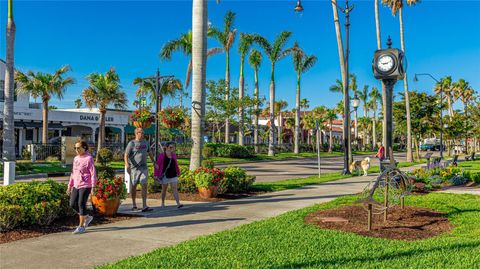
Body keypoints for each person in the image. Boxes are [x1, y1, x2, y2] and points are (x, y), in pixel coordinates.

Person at [124, 128, 158, 212]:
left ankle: (144, 205)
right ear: (136, 133)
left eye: (143, 133)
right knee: (134, 186)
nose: (143, 134)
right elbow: (126, 155)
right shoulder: (131, 143)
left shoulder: (146, 143)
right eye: (141, 133)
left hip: (144, 168)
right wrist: (127, 164)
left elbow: (149, 153)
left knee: (144, 184)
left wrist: (154, 162)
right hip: (134, 168)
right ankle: (134, 204)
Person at [67, 140, 96, 234]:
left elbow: (93, 173)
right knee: (72, 204)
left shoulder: (89, 158)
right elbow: (73, 172)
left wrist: (93, 187)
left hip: (86, 184)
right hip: (76, 184)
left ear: (84, 148)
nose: (77, 150)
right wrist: (69, 186)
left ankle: (81, 226)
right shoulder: (75, 158)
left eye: (79, 148)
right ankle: (87, 217)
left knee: (81, 203)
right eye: (75, 148)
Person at [154, 142, 183, 208]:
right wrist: (156, 174)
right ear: (166, 147)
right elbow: (157, 165)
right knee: (164, 189)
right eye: (170, 147)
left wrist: (178, 172)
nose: (172, 148)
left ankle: (178, 203)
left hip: (173, 174)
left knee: (175, 188)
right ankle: (162, 202)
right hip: (165, 175)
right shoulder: (162, 155)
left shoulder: (174, 155)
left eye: (172, 147)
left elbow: (175, 164)